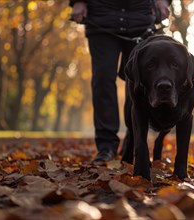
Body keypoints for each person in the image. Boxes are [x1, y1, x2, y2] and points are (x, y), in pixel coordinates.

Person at [69, 0, 171, 162]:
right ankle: (106, 146)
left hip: (140, 17)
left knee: (138, 83)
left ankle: (132, 142)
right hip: (102, 16)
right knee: (103, 79)